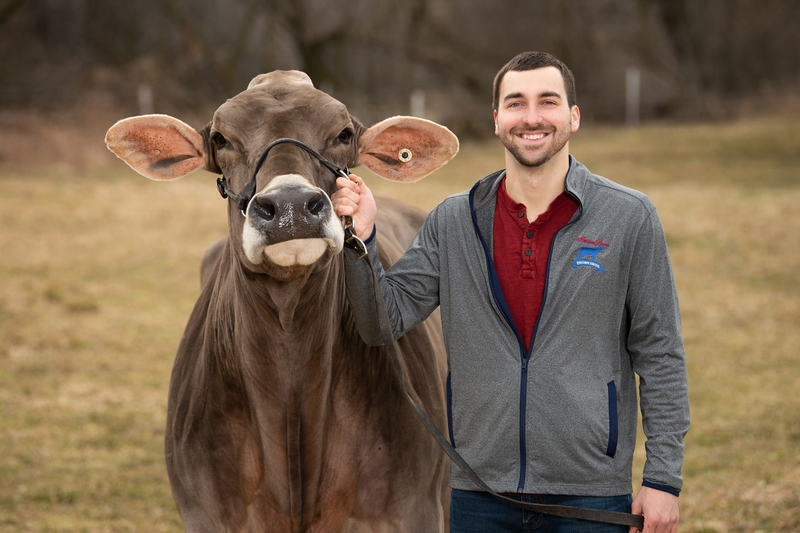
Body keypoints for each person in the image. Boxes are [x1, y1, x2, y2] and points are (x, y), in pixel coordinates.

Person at [332, 51, 689, 533]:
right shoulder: (453, 221)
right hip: (480, 495)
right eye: (516, 103)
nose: (533, 117)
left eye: (548, 101)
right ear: (497, 119)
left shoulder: (628, 218)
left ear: (573, 116)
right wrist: (364, 240)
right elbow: (380, 324)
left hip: (593, 497)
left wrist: (663, 479)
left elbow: (660, 353)